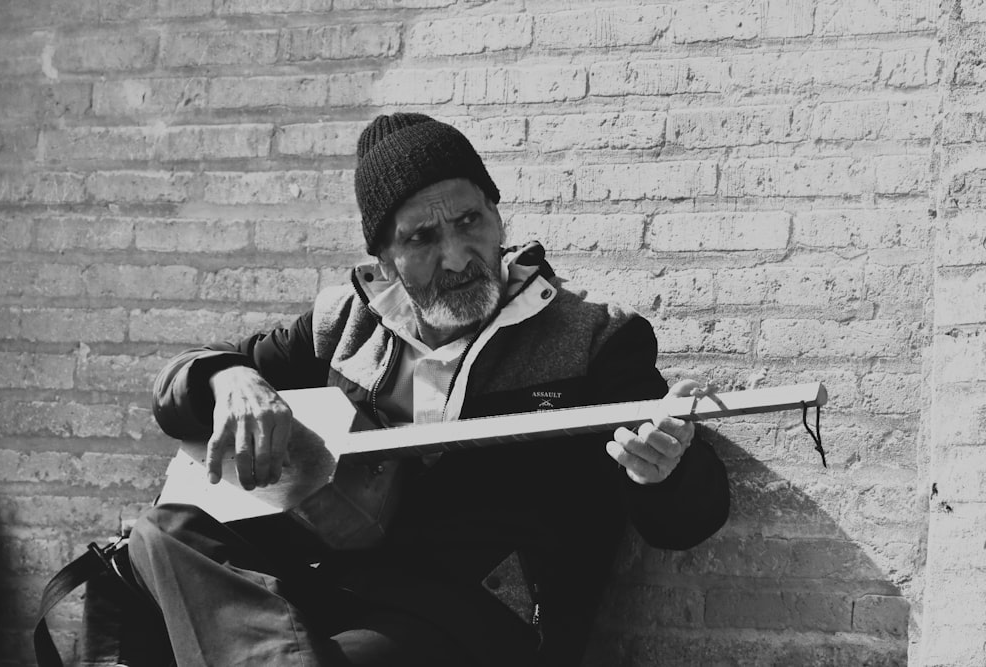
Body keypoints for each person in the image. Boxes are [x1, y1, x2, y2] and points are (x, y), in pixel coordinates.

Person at [130, 112, 730, 667]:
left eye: (470, 222)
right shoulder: (343, 324)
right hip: (331, 589)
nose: (456, 257)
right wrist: (229, 378)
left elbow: (683, 520)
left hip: (476, 616)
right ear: (384, 258)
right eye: (421, 239)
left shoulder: (594, 339)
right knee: (162, 531)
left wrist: (665, 469)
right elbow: (176, 393)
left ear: (497, 216)